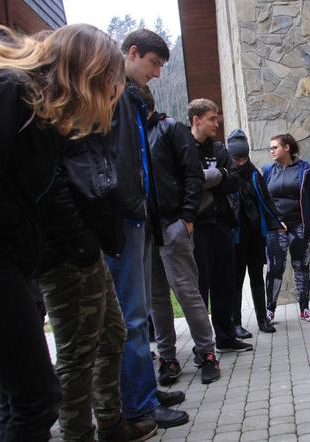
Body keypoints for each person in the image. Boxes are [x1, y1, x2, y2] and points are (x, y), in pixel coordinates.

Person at [0, 24, 126, 442]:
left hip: (20, 261)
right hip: (18, 260)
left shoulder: (41, 111)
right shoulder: (13, 91)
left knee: (24, 398)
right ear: (87, 73)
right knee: (36, 400)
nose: (113, 94)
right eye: (111, 82)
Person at [104, 29, 188, 428]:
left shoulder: (133, 98)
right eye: (153, 64)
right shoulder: (114, 94)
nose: (156, 73)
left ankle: (146, 391)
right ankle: (138, 406)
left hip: (139, 217)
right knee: (133, 317)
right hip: (124, 219)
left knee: (138, 315)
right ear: (132, 53)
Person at [141, 86, 220, 386]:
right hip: (145, 231)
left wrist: (187, 216)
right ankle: (168, 359)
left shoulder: (170, 128)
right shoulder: (132, 134)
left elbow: (193, 173)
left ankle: (207, 354)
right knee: (157, 300)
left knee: (187, 293)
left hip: (173, 225)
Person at [188, 99, 254, 352]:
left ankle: (226, 337)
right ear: (197, 120)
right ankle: (202, 345)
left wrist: (210, 178)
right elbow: (189, 183)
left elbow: (233, 181)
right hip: (198, 227)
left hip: (223, 225)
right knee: (200, 287)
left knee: (224, 283)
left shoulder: (219, 149)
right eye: (212, 119)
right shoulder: (184, 149)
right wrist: (216, 177)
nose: (217, 123)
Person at [263, 134, 310, 322]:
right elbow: (264, 202)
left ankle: (304, 309)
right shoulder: (267, 171)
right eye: (270, 148)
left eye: (275, 147)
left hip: (299, 226)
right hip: (276, 228)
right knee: (275, 268)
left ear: (287, 148)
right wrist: (268, 224)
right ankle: (269, 310)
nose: (272, 151)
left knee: (301, 267)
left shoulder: (304, 170)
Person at [226, 129, 282, 334]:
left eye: (243, 157)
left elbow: (266, 200)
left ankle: (262, 320)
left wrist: (276, 221)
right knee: (236, 279)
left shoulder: (254, 174)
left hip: (256, 235)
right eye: (236, 158)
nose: (240, 162)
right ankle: (236, 324)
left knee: (257, 276)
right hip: (236, 237)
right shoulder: (227, 175)